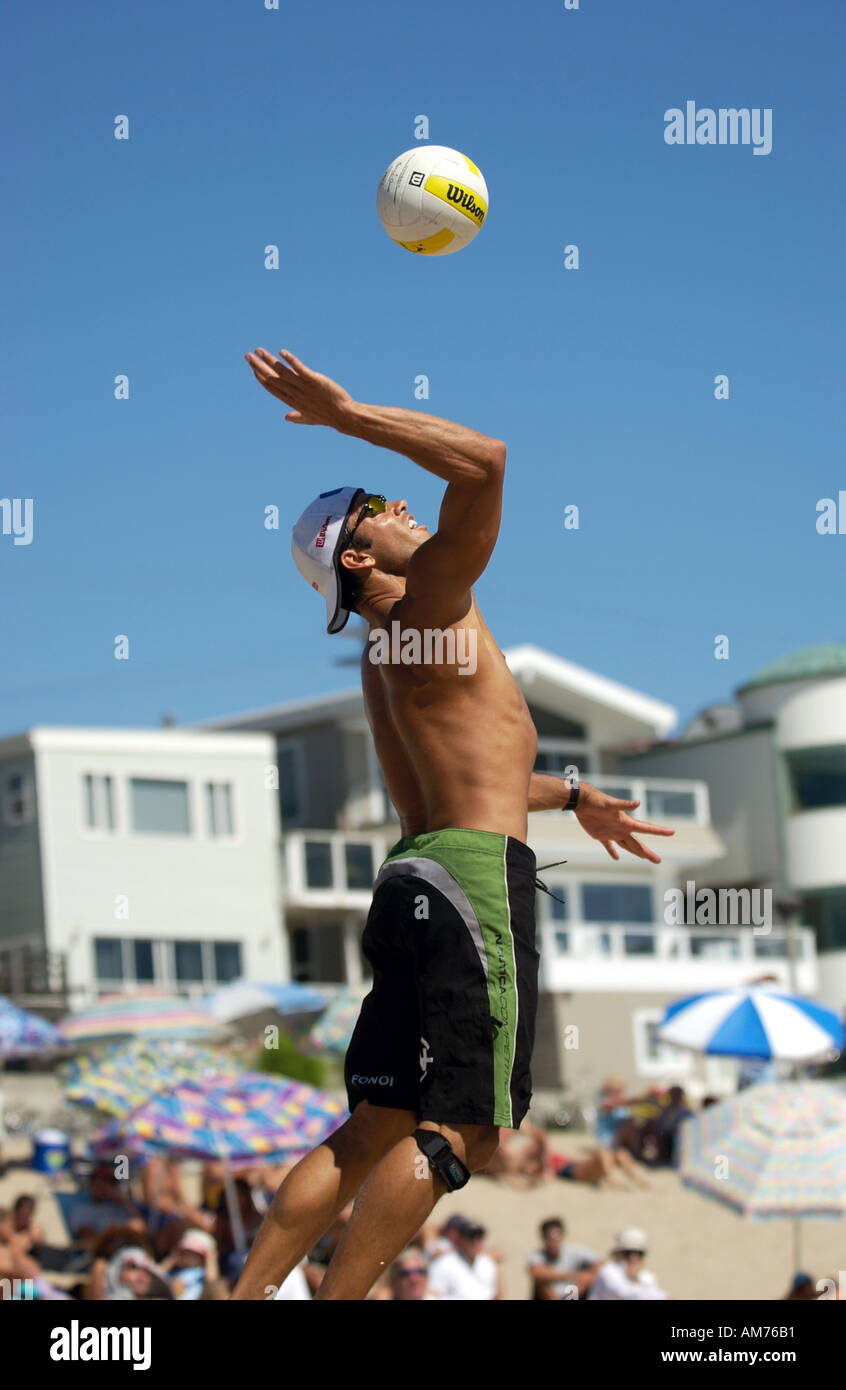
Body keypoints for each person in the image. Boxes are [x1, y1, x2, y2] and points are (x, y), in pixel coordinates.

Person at [230, 347, 675, 1301]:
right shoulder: (431, 599)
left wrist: (569, 793)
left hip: (413, 877)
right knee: (468, 1127)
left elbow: (464, 784)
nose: (398, 506)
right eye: (375, 508)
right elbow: (486, 461)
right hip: (473, 881)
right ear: (356, 560)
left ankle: (244, 1298)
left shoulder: (383, 660)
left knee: (375, 1124)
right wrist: (345, 412)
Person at [526, 1218, 602, 1300]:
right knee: (542, 1283)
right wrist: (574, 1276)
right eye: (549, 1238)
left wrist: (586, 1278)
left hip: (572, 1294)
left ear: (562, 1236)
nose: (553, 1242)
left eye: (556, 1237)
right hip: (551, 1295)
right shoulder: (537, 1255)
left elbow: (602, 1263)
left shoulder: (574, 1250)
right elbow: (537, 1273)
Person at [586, 1227, 669, 1300]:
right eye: (629, 1253)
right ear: (618, 1254)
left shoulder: (647, 1278)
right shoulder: (608, 1271)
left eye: (639, 1253)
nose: (634, 1258)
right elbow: (625, 1292)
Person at [427, 1219, 501, 1300]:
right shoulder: (444, 1263)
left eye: (479, 1236)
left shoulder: (488, 1264)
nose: (476, 1241)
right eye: (471, 1236)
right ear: (460, 1239)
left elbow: (495, 1295)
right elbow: (432, 1295)